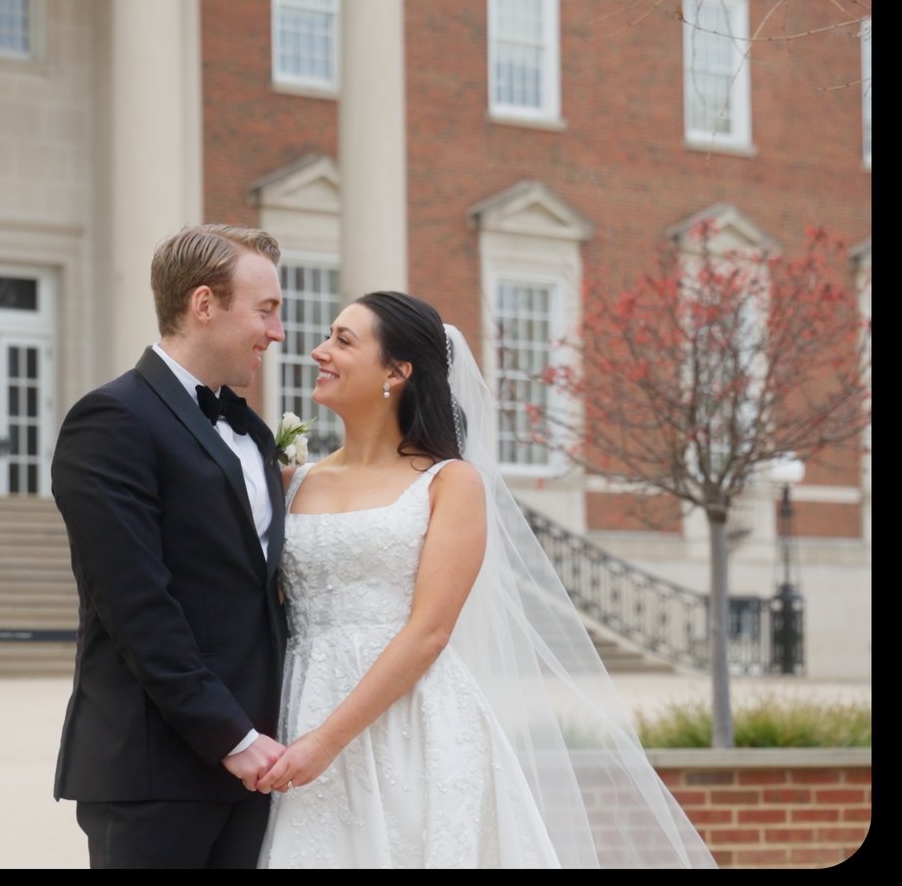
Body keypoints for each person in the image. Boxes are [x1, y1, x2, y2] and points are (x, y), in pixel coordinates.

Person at [255, 291, 716, 868]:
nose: (319, 351)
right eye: (329, 336)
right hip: (301, 701)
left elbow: (429, 632)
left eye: (343, 341)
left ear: (397, 372)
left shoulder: (449, 483)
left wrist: (325, 742)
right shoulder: (290, 481)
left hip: (410, 724)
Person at [51, 224, 291, 868]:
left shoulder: (254, 433)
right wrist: (231, 735)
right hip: (152, 771)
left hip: (257, 769)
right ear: (204, 304)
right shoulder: (111, 420)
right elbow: (135, 604)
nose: (277, 332)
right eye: (265, 310)